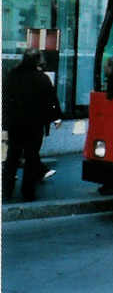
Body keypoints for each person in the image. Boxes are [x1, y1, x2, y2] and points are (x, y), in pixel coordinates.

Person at [2, 49, 61, 202]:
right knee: (31, 156)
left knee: (12, 156)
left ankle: (6, 189)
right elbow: (51, 100)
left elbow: (5, 99)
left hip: (15, 123)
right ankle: (27, 191)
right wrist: (56, 118)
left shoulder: (12, 76)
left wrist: (5, 121)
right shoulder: (42, 79)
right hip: (34, 125)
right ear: (37, 61)